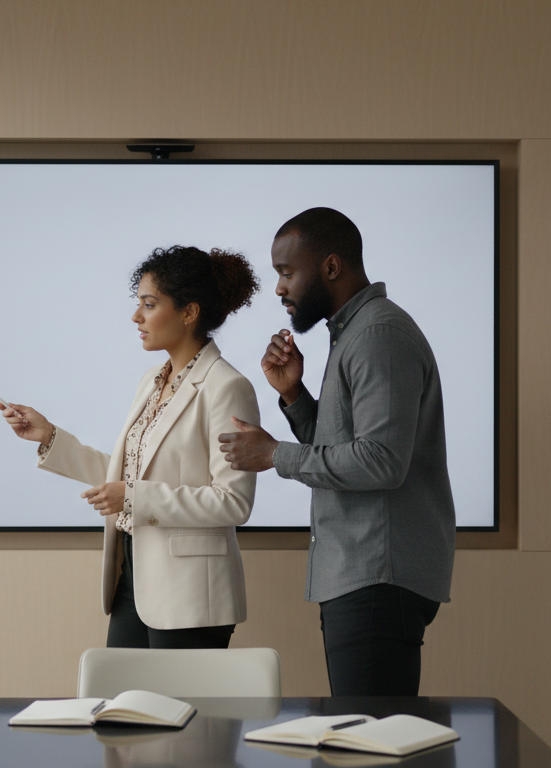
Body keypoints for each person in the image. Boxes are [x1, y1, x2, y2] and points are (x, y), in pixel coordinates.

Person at [218, 207, 456, 695]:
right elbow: (347, 451)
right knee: (366, 727)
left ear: (330, 266)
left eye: (287, 272)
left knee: (370, 730)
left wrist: (275, 455)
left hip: (376, 579)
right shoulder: (355, 333)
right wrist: (294, 396)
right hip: (366, 577)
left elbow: (381, 462)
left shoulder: (377, 335)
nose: (279, 288)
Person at [0, 246, 262, 649]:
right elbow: (127, 474)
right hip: (131, 576)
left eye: (149, 304)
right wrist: (49, 436)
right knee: (120, 690)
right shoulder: (151, 381)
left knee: (178, 694)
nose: (136, 316)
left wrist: (134, 498)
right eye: (138, 303)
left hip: (191, 593)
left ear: (189, 312)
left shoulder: (227, 387)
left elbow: (233, 502)